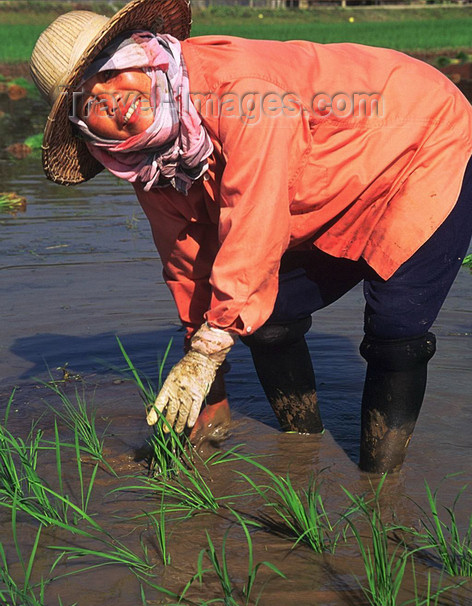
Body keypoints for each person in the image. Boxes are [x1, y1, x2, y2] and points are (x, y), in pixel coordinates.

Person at [30, 0, 472, 472]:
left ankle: (380, 491)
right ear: (80, 127)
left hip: (419, 139)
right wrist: (208, 382)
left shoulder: (241, 90)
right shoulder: (150, 162)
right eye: (87, 99)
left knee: (395, 331)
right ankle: (302, 451)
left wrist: (210, 347)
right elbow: (186, 259)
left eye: (111, 71)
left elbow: (255, 215)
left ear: (143, 55)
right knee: (267, 319)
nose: (110, 98)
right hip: (323, 183)